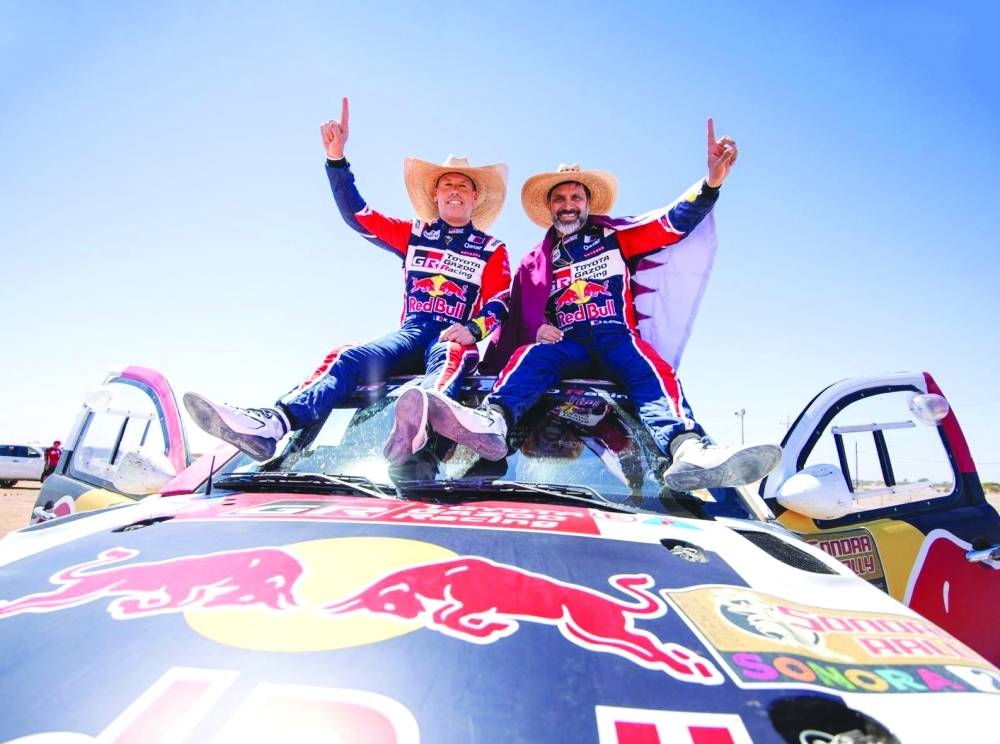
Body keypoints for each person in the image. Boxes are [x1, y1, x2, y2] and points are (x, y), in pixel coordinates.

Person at [397, 119, 781, 492]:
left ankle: (687, 450)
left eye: (575, 197)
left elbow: (670, 223)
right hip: (571, 343)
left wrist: (711, 184)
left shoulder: (615, 236)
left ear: (587, 203)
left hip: (615, 336)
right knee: (531, 358)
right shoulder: (535, 260)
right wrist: (536, 327)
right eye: (560, 199)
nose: (568, 205)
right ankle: (492, 424)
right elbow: (518, 311)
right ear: (549, 207)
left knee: (652, 372)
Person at [184, 98, 512, 463]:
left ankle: (422, 420)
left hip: (452, 334)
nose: (454, 190)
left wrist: (474, 329)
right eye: (447, 184)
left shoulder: (492, 248)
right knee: (347, 356)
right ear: (434, 195)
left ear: (474, 196)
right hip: (410, 332)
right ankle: (271, 427)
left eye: (462, 186)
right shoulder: (413, 234)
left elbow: (500, 301)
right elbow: (359, 215)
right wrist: (337, 160)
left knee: (451, 353)